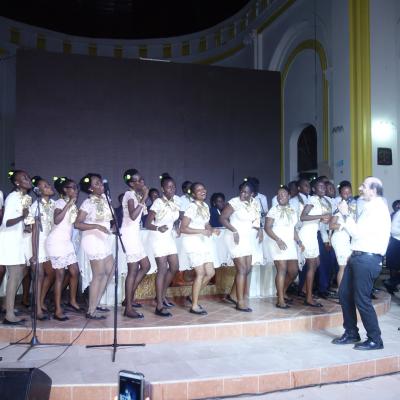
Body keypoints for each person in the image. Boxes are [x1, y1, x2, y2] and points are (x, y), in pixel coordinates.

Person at [332, 177, 391, 350]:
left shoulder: (377, 209)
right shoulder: (369, 207)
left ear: (373, 191)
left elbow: (357, 232)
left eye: (364, 186)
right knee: (344, 293)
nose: (360, 188)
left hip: (367, 259)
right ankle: (351, 333)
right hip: (358, 256)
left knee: (361, 299)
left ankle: (375, 339)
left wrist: (345, 214)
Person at [75, 173, 114, 320]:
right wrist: (96, 226)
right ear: (90, 189)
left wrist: (111, 227)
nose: (101, 185)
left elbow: (108, 219)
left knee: (111, 270)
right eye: (97, 183)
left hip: (104, 239)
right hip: (92, 239)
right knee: (99, 274)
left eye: (100, 182)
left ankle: (95, 303)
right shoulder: (88, 203)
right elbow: (77, 224)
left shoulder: (106, 199)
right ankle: (91, 311)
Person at [220, 180, 260, 312]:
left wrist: (258, 229)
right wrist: (234, 230)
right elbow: (222, 218)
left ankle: (232, 295)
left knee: (247, 269)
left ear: (252, 194)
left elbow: (256, 219)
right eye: (241, 191)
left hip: (247, 237)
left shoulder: (255, 203)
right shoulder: (234, 202)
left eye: (246, 193)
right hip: (234, 236)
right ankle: (240, 302)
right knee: (242, 269)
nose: (243, 194)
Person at [46, 177, 81, 321]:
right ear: (65, 190)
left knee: (75, 271)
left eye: (76, 187)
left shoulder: (72, 205)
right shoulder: (60, 202)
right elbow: (57, 220)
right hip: (56, 242)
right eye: (73, 188)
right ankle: (57, 309)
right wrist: (68, 204)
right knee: (60, 275)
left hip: (66, 243)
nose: (76, 190)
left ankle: (72, 301)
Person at [0, 170, 32, 325]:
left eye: (28, 177)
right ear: (17, 183)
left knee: (20, 272)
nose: (28, 179)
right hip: (9, 241)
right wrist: (22, 217)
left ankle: (7, 306)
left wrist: (25, 227)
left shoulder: (23, 198)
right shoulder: (13, 197)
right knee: (14, 275)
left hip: (17, 240)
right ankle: (9, 315)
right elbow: (6, 222)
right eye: (24, 178)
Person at [180, 182, 218, 315]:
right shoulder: (191, 207)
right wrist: (201, 231)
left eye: (203, 188)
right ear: (193, 194)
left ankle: (192, 297)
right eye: (199, 190)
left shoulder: (205, 206)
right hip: (192, 242)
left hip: (203, 242)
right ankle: (194, 305)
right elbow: (183, 228)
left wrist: (212, 230)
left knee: (211, 273)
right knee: (201, 273)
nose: (203, 191)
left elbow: (206, 224)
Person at [146, 174, 180, 317]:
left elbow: (177, 217)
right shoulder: (158, 202)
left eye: (173, 187)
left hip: (169, 237)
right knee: (162, 269)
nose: (172, 189)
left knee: (174, 267)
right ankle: (159, 305)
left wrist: (177, 226)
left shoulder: (177, 200)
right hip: (158, 236)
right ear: (163, 189)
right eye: (169, 187)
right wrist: (158, 228)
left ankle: (160, 296)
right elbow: (147, 223)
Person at [265, 186, 304, 308]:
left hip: (290, 243)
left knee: (293, 271)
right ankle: (280, 300)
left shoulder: (292, 210)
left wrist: (299, 241)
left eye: (283, 194)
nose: (280, 196)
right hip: (276, 242)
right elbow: (267, 228)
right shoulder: (273, 210)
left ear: (289, 196)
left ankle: (282, 291)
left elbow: (292, 229)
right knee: (282, 269)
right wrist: (278, 240)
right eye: (279, 195)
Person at [120, 169, 150, 318]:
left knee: (146, 266)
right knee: (132, 270)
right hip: (129, 234)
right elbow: (132, 216)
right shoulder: (129, 195)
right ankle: (128, 308)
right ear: (131, 183)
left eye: (142, 179)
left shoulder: (135, 195)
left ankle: (128, 299)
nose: (142, 182)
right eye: (138, 180)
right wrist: (145, 197)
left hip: (134, 234)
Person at [298, 178, 331, 307]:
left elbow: (314, 218)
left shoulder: (319, 201)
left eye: (324, 187)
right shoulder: (312, 199)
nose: (323, 189)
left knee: (316, 263)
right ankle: (309, 298)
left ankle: (305, 290)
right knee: (312, 266)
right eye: (320, 187)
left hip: (313, 234)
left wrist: (322, 219)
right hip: (307, 234)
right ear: (314, 189)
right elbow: (303, 216)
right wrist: (320, 217)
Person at [29, 176, 56, 320]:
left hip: (50, 243)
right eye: (45, 186)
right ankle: (37, 308)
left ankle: (40, 301)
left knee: (51, 273)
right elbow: (34, 231)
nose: (49, 187)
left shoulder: (53, 204)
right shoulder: (36, 206)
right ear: (38, 191)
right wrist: (34, 253)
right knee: (39, 276)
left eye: (48, 184)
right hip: (38, 242)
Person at [330, 181, 355, 289]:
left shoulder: (351, 206)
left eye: (349, 192)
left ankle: (345, 291)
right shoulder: (340, 207)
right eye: (345, 193)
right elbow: (331, 225)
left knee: (348, 265)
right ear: (340, 194)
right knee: (342, 266)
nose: (347, 195)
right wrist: (344, 226)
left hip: (347, 238)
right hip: (339, 237)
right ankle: (341, 293)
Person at [382, 199, 400, 294]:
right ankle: (392, 283)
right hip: (395, 242)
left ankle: (391, 282)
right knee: (394, 266)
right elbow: (392, 230)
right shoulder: (396, 214)